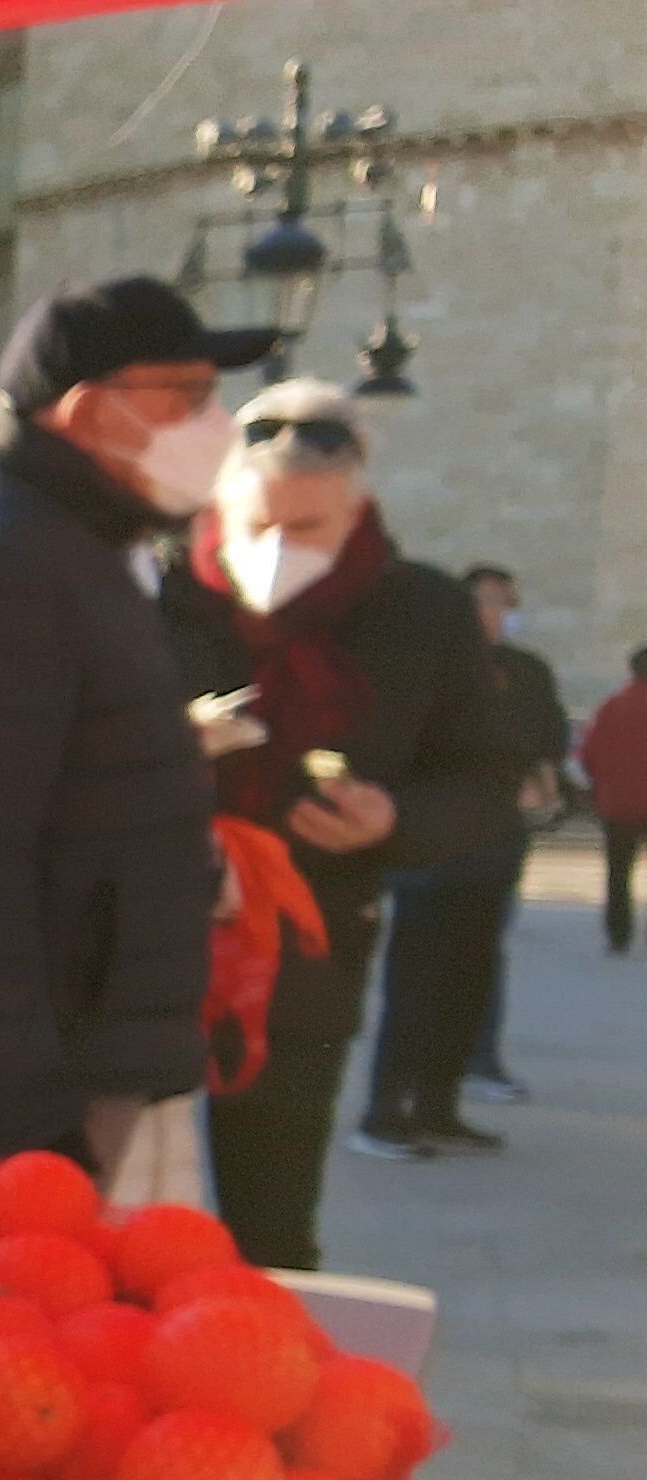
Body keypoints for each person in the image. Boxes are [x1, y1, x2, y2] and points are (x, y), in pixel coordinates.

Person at [0, 274, 270, 1184]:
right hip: (63, 1073)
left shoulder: (68, 540)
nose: (218, 425)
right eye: (192, 398)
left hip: (103, 1041)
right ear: (93, 411)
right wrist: (23, 1102)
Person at [156, 380, 518, 1257]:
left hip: (305, 946)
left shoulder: (423, 612)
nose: (279, 550)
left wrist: (391, 818)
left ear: (358, 509)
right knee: (124, 1216)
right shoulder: (159, 590)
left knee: (272, 1221)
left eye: (307, 531)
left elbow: (486, 783)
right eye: (259, 527)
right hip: (139, 934)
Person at [367, 560, 564, 1120]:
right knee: (415, 984)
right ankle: (385, 1111)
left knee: (472, 975)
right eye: (489, 600)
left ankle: (441, 1105)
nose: (500, 614)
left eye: (508, 602)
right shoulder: (423, 669)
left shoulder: (527, 673)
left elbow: (543, 746)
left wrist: (544, 789)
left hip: (498, 843)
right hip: (430, 848)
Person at [582, 647, 647, 954]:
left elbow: (588, 754)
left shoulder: (612, 707)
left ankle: (619, 936)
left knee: (619, 873)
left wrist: (604, 786)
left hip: (619, 806)